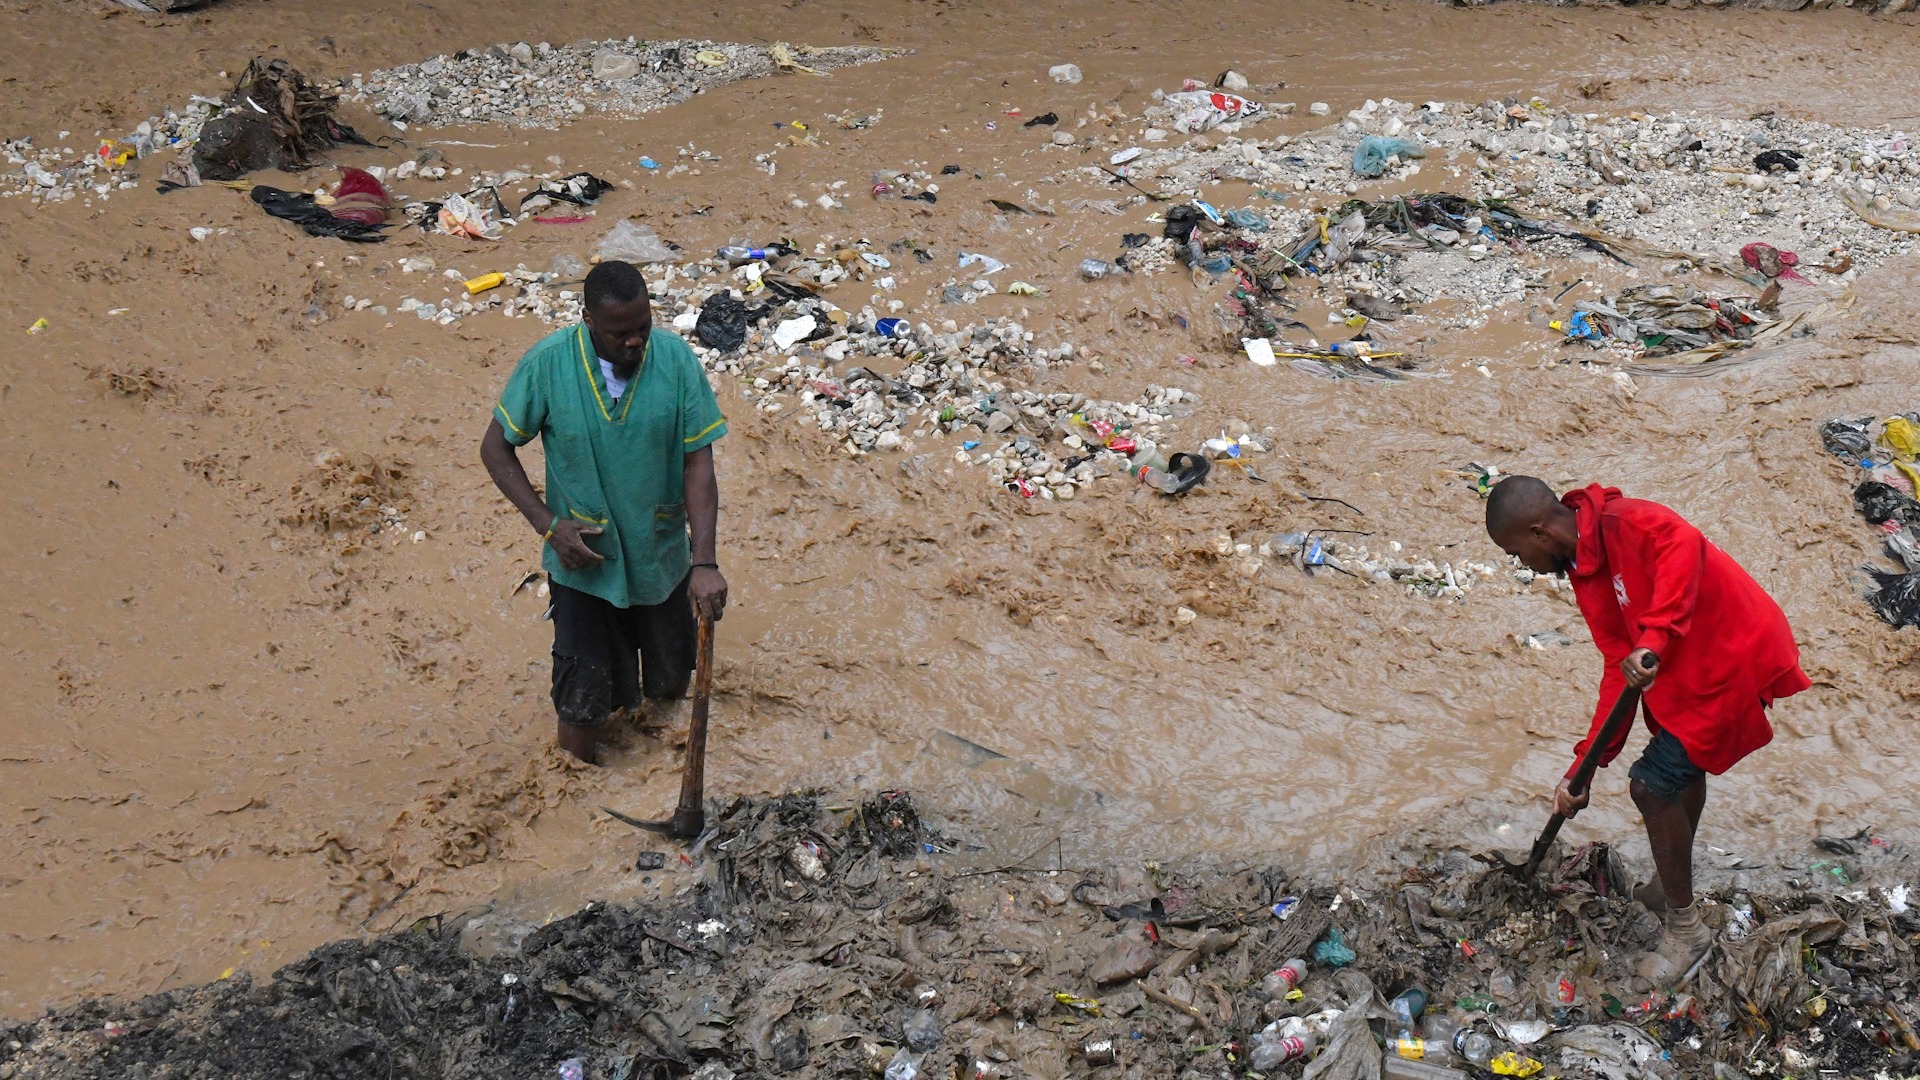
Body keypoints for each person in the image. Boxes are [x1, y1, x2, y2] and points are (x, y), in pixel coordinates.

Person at [1485, 476, 1809, 987]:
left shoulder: (1627, 521)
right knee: (1678, 766)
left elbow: (1685, 546)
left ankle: (1686, 931)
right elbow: (1620, 666)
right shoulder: (1583, 571)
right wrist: (1583, 770)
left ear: (1538, 532)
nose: (1520, 563)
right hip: (1690, 670)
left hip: (1730, 655)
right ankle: (1667, 887)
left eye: (1515, 552)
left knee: (1651, 786)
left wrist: (1654, 637)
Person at [480, 260, 729, 764]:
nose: (635, 342)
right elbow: (495, 449)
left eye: (643, 327)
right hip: (584, 567)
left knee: (668, 689)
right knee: (581, 707)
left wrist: (704, 563)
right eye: (620, 333)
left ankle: (656, 779)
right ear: (589, 320)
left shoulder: (676, 362)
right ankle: (578, 808)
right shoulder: (548, 365)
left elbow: (698, 463)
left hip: (661, 558)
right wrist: (549, 526)